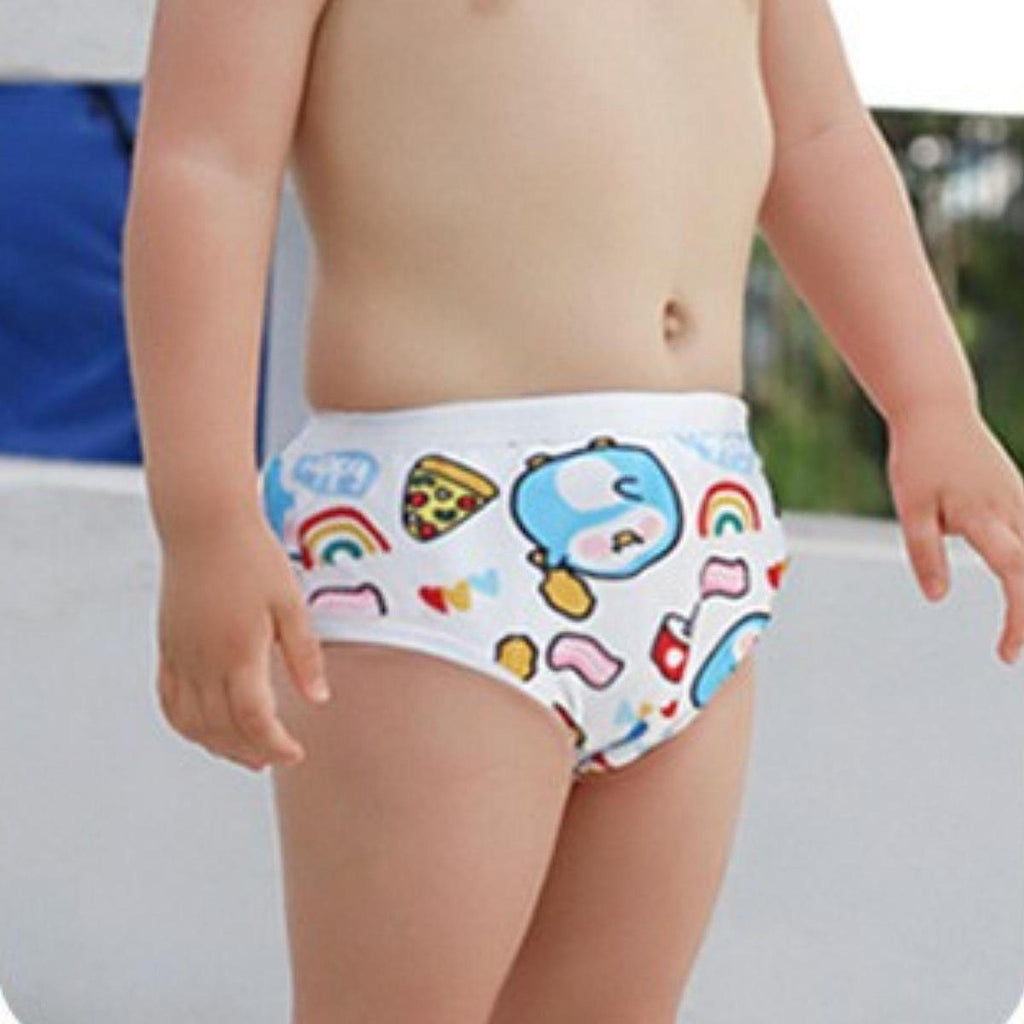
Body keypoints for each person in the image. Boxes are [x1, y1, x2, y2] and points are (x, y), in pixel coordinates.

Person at [121, 0, 1024, 1021]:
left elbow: (817, 134)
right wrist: (202, 516)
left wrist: (931, 400)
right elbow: (206, 164)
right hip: (440, 530)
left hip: (696, 523)